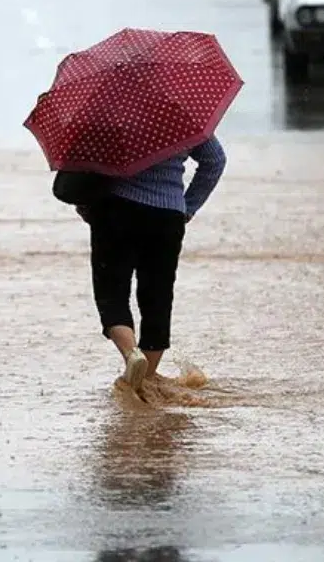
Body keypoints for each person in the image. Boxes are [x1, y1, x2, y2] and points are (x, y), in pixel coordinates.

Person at [77, 137, 226, 392]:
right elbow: (214, 160)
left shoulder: (109, 113)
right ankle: (146, 380)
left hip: (115, 211)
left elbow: (84, 164)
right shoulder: (182, 113)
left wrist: (85, 203)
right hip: (167, 216)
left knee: (111, 293)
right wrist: (187, 207)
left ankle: (132, 355)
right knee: (157, 297)